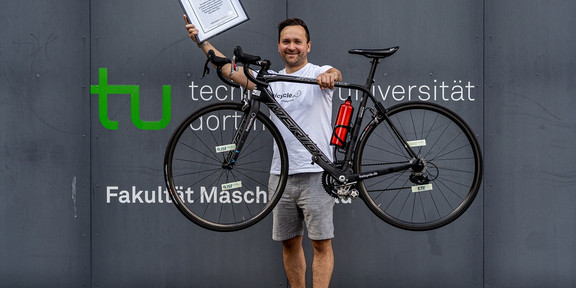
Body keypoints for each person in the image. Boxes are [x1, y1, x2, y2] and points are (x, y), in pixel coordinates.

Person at [185, 16, 342, 288]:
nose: (291, 46)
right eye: (286, 41)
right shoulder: (270, 81)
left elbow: (335, 73)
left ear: (308, 46)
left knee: (321, 243)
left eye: (297, 41)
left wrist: (330, 76)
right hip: (280, 175)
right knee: (289, 244)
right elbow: (228, 69)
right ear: (278, 46)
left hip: (316, 173)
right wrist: (202, 42)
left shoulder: (318, 72)